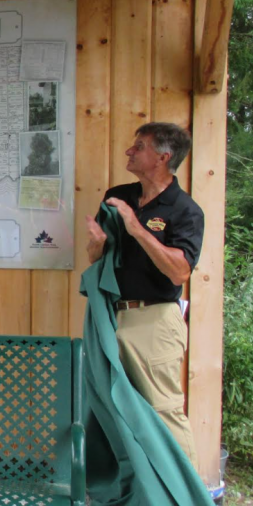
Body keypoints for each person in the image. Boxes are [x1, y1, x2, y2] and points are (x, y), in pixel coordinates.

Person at [85, 122, 203, 470]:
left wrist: (135, 226)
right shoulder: (119, 194)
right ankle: (136, 490)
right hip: (110, 315)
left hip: (154, 320)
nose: (129, 151)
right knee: (112, 405)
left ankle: (191, 502)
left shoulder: (185, 210)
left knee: (164, 409)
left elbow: (180, 272)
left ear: (163, 158)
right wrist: (97, 244)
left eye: (140, 146)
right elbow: (97, 259)